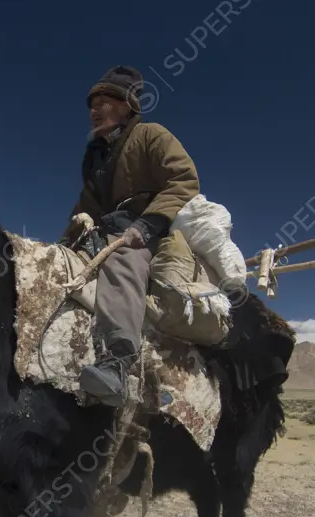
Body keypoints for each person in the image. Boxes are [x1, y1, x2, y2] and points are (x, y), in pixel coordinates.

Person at [60, 65, 200, 406]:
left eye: (104, 101)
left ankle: (117, 363)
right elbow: (87, 206)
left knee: (121, 256)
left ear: (127, 105)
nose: (94, 110)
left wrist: (146, 225)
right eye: (91, 104)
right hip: (106, 229)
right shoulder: (96, 157)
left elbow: (183, 179)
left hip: (150, 231)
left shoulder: (151, 134)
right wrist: (64, 244)